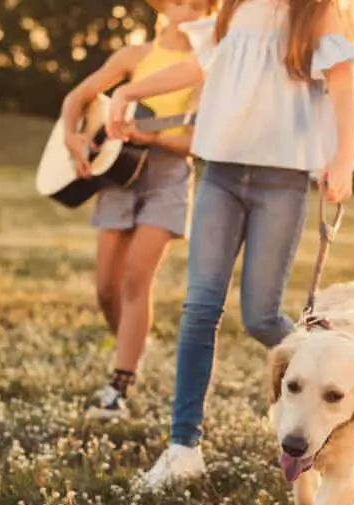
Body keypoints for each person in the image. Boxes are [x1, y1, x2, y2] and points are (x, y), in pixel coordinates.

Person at [105, 0, 354, 490]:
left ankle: (331, 373)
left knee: (259, 316)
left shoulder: (314, 12)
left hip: (283, 183)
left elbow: (342, 89)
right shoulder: (233, 9)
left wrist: (344, 158)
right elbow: (197, 64)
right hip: (221, 176)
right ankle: (182, 446)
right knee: (200, 307)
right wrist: (129, 90)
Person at [59, 0, 215, 420]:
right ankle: (133, 345)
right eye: (181, 2)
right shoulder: (136, 56)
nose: (189, 12)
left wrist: (159, 140)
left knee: (135, 280)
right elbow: (79, 96)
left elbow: (199, 140)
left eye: (201, 6)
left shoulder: (208, 64)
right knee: (106, 289)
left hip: (167, 176)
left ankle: (119, 384)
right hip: (118, 170)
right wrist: (73, 137)